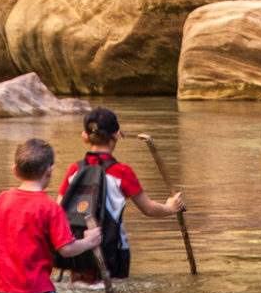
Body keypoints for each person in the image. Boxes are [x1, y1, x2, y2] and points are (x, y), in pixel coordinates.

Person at [0, 138, 101, 293]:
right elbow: (65, 248)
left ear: (15, 170)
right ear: (50, 171)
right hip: (35, 289)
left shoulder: (2, 199)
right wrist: (89, 241)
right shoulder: (50, 208)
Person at [59, 107, 184, 280]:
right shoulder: (121, 172)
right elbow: (148, 209)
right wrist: (171, 207)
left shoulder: (75, 169)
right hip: (113, 250)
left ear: (85, 136)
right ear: (116, 135)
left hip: (77, 249)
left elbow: (59, 209)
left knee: (84, 292)